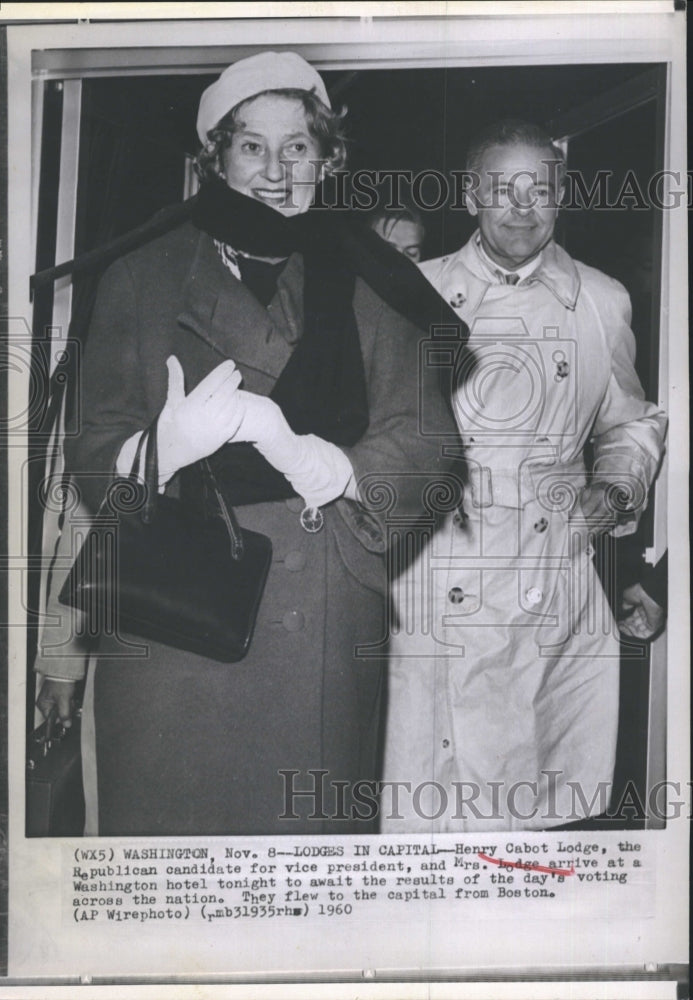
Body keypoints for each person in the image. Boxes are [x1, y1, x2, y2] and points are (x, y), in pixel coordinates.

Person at [35, 51, 458, 836]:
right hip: (171, 599)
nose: (275, 170)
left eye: (297, 146)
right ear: (215, 159)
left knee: (301, 877)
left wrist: (323, 464)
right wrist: (157, 448)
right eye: (251, 146)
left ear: (326, 158)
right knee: (172, 857)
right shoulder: (141, 272)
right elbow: (93, 445)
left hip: (323, 600)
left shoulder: (374, 277)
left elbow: (429, 441)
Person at [382, 119, 667, 833]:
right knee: (426, 822)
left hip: (547, 580)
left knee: (528, 831)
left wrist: (616, 485)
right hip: (431, 576)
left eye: (537, 189)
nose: (520, 207)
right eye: (501, 189)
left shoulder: (601, 301)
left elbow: (628, 420)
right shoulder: (411, 289)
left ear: (560, 195)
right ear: (472, 194)